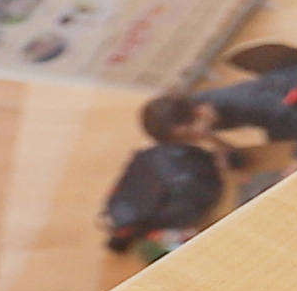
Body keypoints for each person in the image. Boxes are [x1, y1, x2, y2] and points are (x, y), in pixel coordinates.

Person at [95, 91, 228, 266]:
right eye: (196, 117)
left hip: (128, 213)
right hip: (167, 226)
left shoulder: (145, 156)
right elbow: (213, 193)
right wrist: (212, 139)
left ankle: (128, 233)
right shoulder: (199, 164)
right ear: (181, 129)